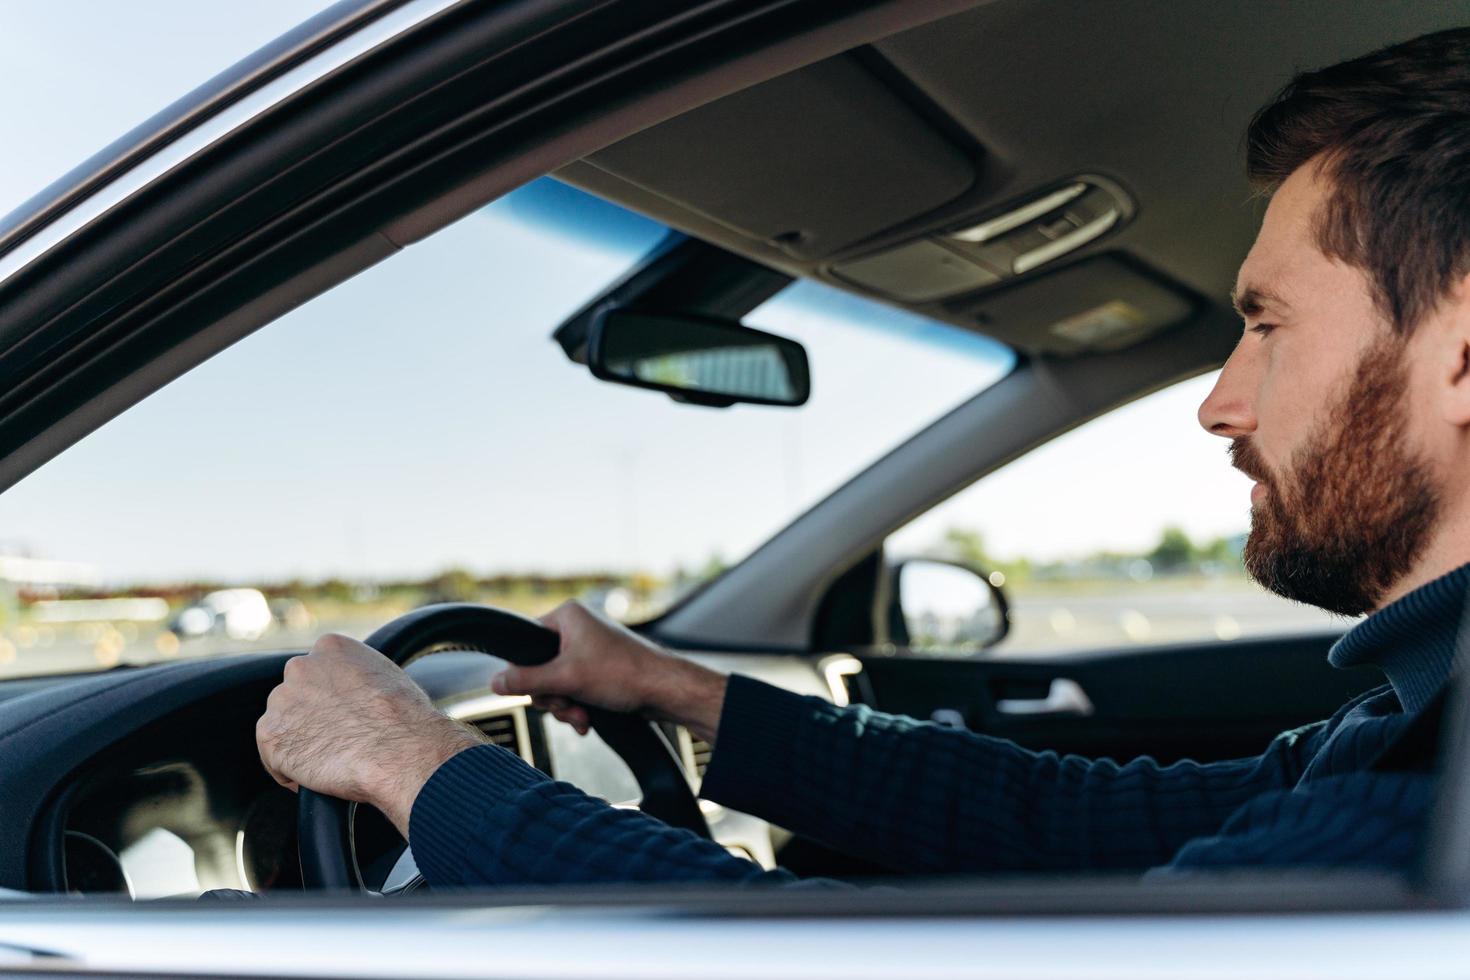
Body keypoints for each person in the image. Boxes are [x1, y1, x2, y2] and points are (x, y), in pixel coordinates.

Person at [256, 27, 1470, 886]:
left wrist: (418, 767)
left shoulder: (1425, 812)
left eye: (1266, 324)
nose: (1220, 403)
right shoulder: (1415, 724)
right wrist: (685, 691)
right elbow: (1082, 815)